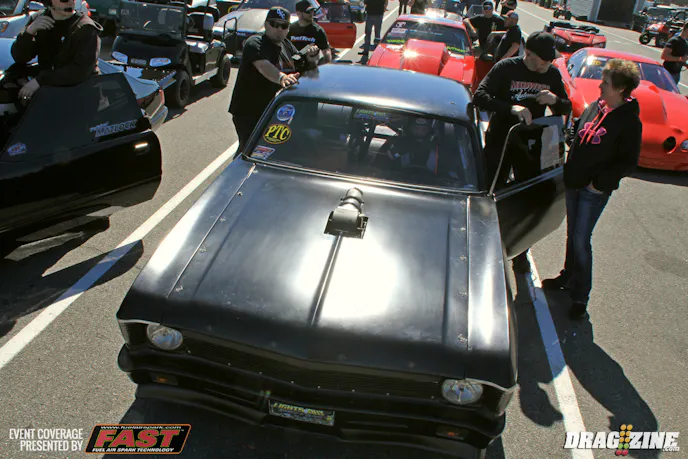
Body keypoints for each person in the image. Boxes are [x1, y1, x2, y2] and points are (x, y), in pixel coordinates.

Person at [542, 59, 641, 320]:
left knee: (581, 240)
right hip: (575, 182)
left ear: (620, 89)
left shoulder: (629, 122)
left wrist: (598, 183)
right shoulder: (597, 107)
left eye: (606, 83)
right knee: (573, 235)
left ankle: (580, 296)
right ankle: (568, 276)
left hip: (592, 191)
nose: (600, 86)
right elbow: (577, 131)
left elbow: (627, 162)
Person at [473, 32, 571, 272]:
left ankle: (520, 251)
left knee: (529, 196)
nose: (547, 65)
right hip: (501, 140)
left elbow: (566, 106)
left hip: (530, 144)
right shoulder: (507, 68)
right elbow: (480, 96)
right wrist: (511, 108)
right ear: (529, 54)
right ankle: (480, 239)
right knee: (489, 189)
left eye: (550, 60)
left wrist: (555, 101)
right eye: (543, 60)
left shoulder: (552, 74)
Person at [228, 6, 319, 153]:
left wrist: (311, 59)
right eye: (274, 24)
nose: (278, 29)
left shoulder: (287, 45)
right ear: (266, 24)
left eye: (283, 26)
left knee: (271, 150)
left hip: (275, 110)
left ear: (288, 29)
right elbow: (263, 66)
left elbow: (302, 68)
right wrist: (281, 77)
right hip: (250, 111)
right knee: (249, 149)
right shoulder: (255, 43)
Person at [10, 0, 102, 102]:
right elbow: (20, 57)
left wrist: (40, 80)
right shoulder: (39, 20)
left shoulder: (85, 27)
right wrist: (29, 32)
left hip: (81, 94)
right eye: (64, 0)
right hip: (51, 91)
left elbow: (80, 71)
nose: (70, 3)